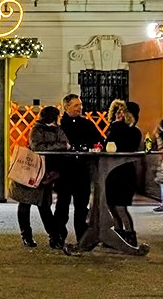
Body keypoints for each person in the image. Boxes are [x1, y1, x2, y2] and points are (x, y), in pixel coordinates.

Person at [13, 105, 70, 251]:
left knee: (44, 205)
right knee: (25, 205)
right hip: (31, 170)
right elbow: (37, 147)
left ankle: (54, 236)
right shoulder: (36, 129)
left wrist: (59, 146)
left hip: (47, 173)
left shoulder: (58, 129)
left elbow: (64, 143)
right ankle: (27, 235)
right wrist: (60, 146)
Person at [52, 93, 102, 243]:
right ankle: (58, 236)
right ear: (66, 107)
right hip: (65, 171)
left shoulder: (87, 124)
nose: (80, 108)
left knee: (82, 206)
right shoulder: (60, 126)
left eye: (80, 105)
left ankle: (83, 237)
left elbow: (99, 141)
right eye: (76, 105)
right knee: (62, 206)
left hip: (82, 171)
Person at [103, 100, 144, 247]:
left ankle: (130, 236)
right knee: (111, 205)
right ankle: (117, 235)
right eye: (117, 112)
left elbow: (125, 147)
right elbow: (108, 146)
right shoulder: (113, 128)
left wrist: (117, 126)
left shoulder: (133, 131)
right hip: (111, 172)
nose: (118, 115)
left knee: (120, 206)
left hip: (124, 172)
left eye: (122, 112)